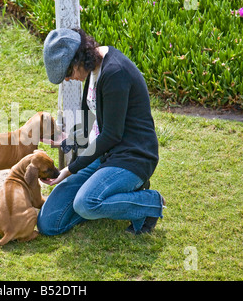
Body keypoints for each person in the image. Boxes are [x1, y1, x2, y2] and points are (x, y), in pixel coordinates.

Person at [37, 28, 165, 235]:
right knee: (49, 224)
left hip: (132, 158)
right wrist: (68, 142)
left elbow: (111, 135)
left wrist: (70, 170)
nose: (68, 80)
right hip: (105, 156)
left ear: (78, 59)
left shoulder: (115, 73)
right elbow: (89, 120)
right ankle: (117, 192)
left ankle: (150, 203)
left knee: (86, 204)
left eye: (67, 73)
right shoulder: (94, 70)